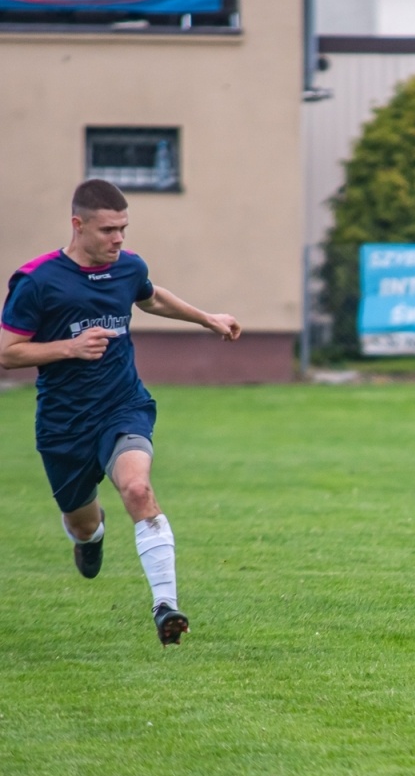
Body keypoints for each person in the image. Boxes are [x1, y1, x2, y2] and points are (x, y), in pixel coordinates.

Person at [0, 180, 242, 645]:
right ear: (78, 225)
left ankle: (165, 606)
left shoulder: (128, 267)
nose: (119, 240)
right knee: (82, 522)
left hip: (122, 405)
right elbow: (9, 354)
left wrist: (207, 318)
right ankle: (90, 540)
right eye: (109, 230)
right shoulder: (36, 281)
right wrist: (70, 347)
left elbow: (149, 295)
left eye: (124, 229)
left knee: (136, 486)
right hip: (63, 423)